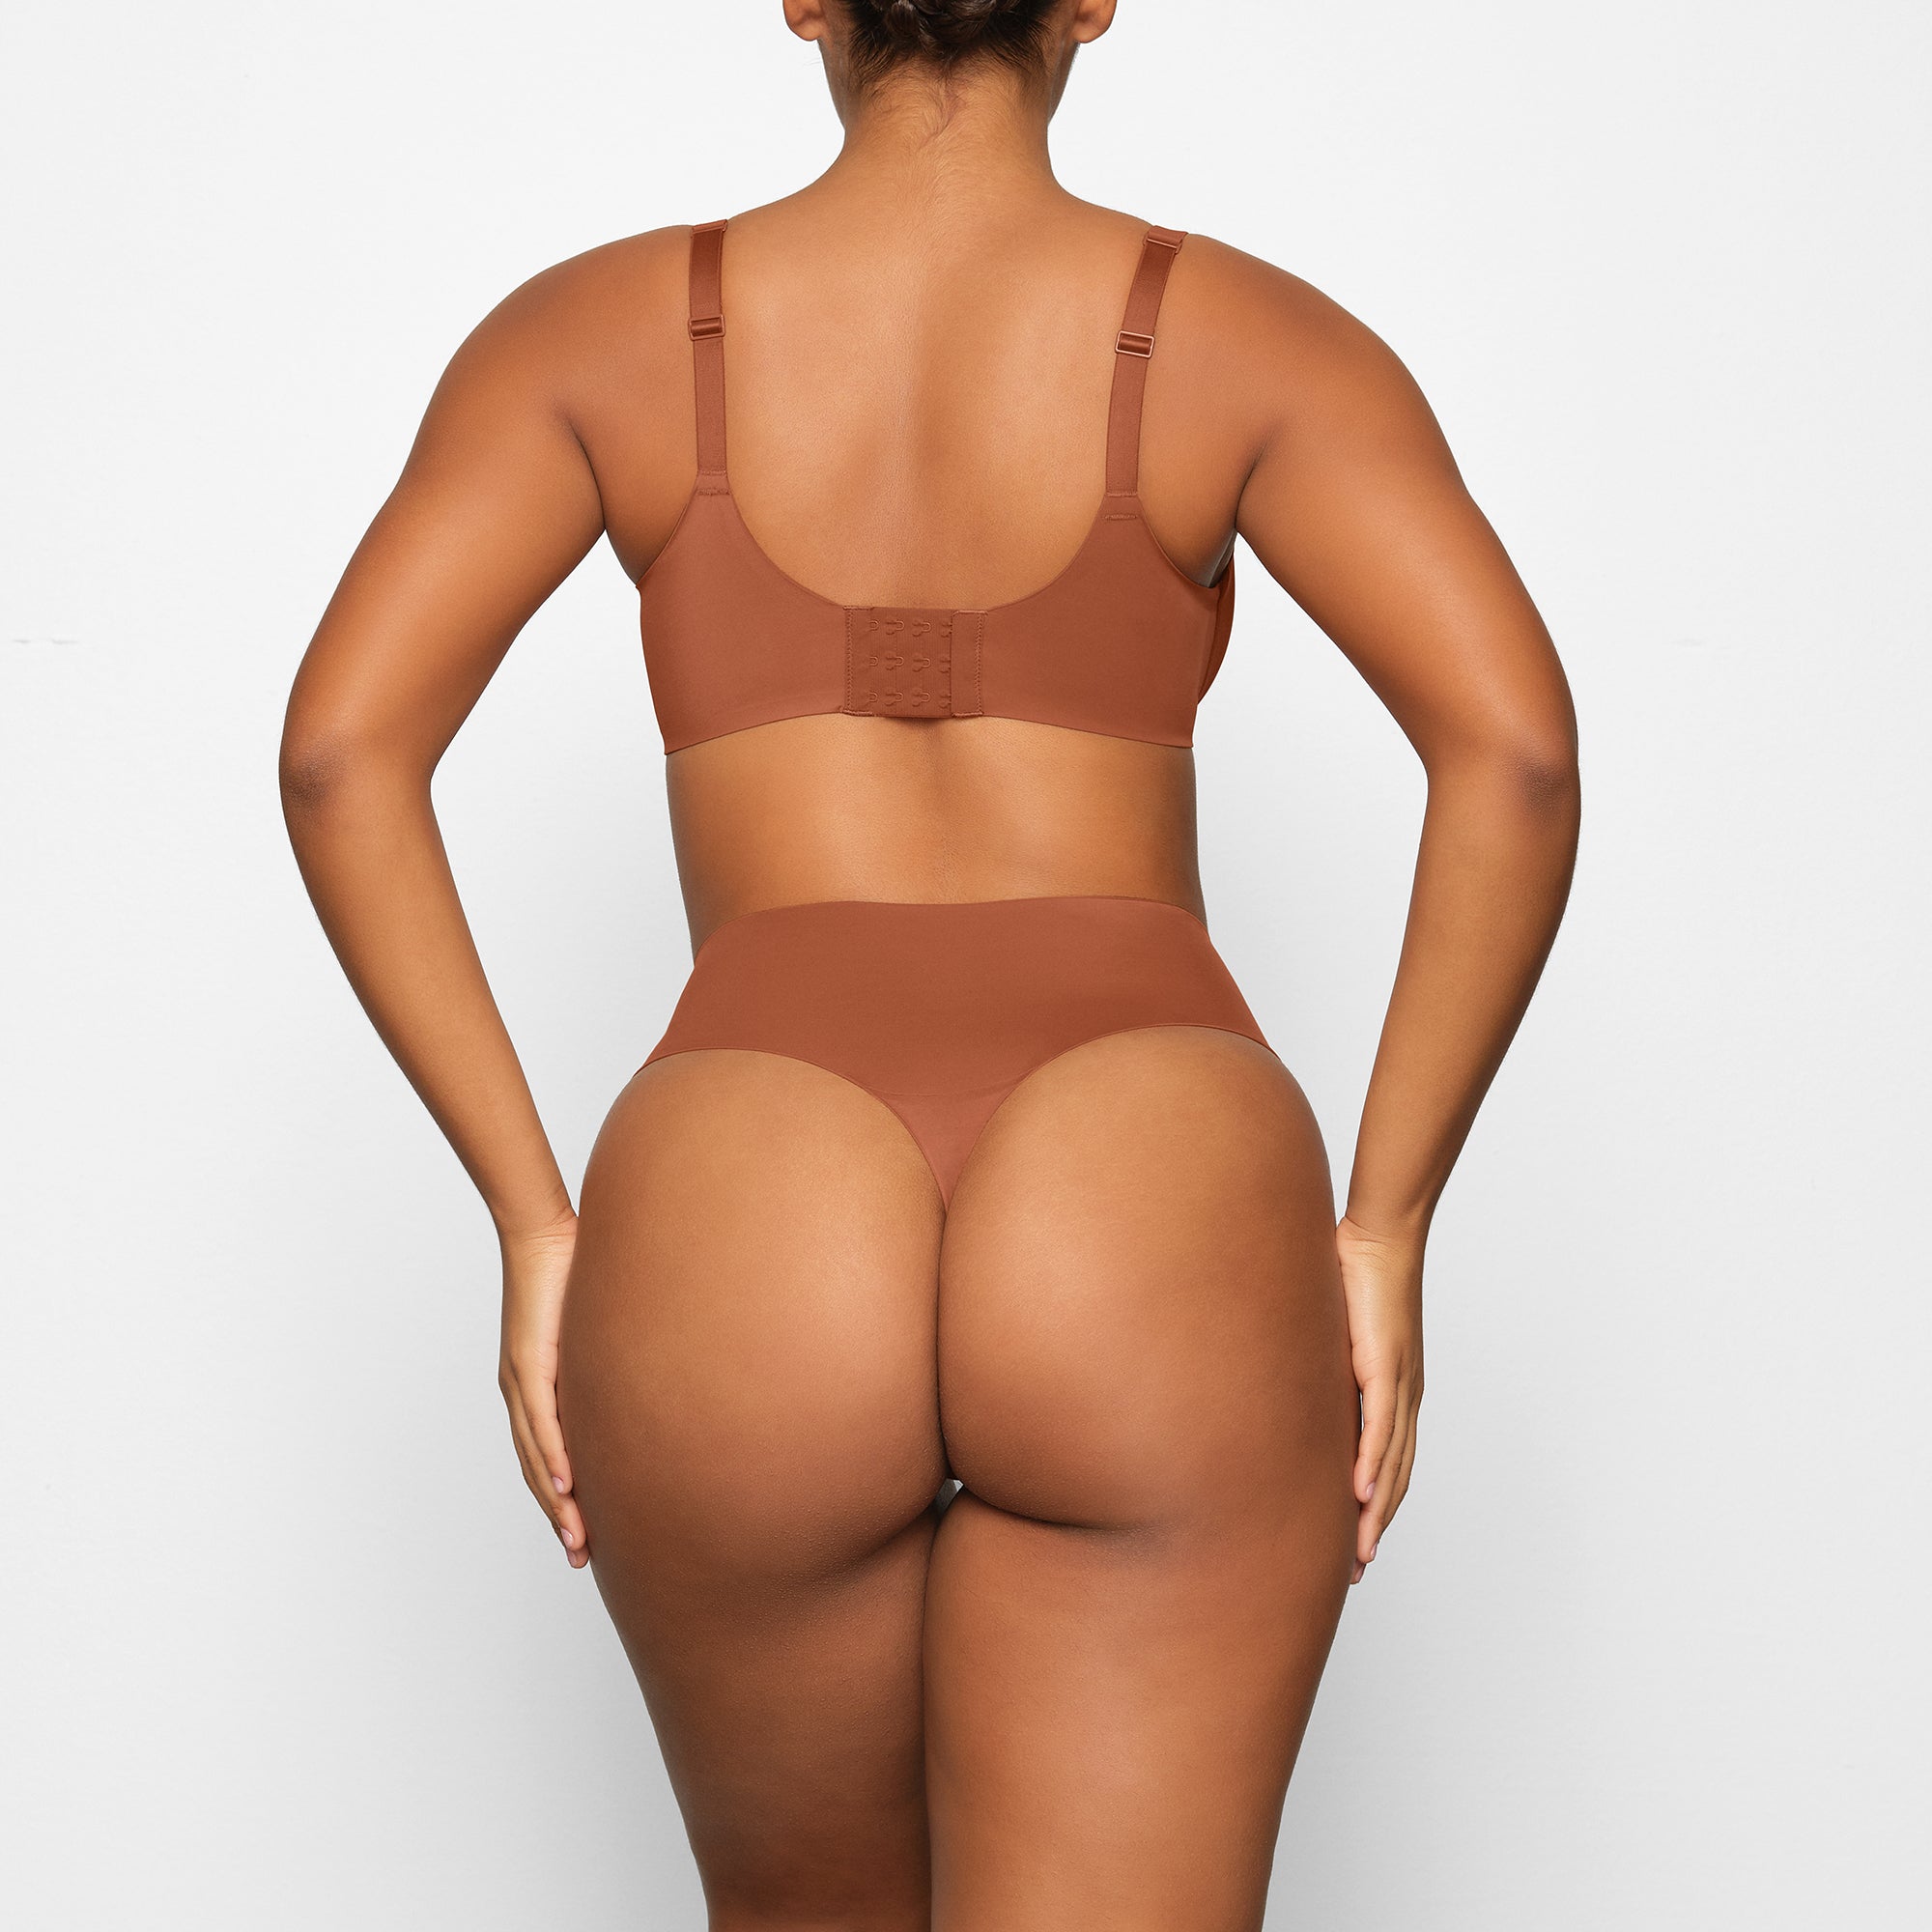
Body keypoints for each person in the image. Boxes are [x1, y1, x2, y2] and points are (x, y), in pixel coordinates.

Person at [280, 0, 1579, 1923]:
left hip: (752, 1174)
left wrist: (535, 1219)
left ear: (807, 0)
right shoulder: (1247, 338)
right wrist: (1385, 1224)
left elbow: (339, 754)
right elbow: (1517, 755)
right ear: (1090, 1)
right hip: (1144, 1163)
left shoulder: (595, 337)